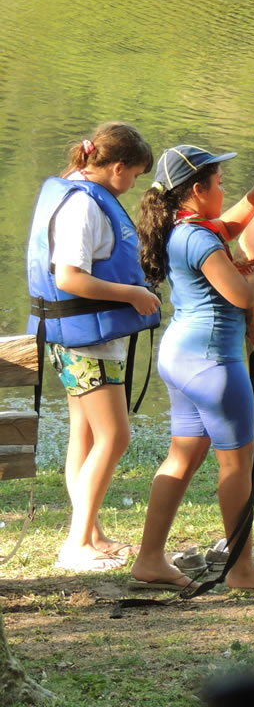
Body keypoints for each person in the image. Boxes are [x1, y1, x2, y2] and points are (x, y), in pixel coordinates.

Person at [129, 144, 254, 591]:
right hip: (212, 361)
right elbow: (242, 293)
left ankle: (150, 560)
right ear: (197, 190)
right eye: (218, 183)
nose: (224, 189)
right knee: (237, 463)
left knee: (183, 456)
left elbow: (235, 219)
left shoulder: (181, 227)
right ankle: (241, 568)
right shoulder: (198, 238)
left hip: (181, 357)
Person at [25, 122, 161, 572]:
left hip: (75, 336)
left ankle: (92, 534)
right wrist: (133, 295)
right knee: (114, 436)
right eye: (135, 175)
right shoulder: (83, 205)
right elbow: (69, 277)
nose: (134, 184)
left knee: (84, 435)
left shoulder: (73, 189)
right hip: (86, 342)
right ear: (117, 167)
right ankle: (76, 543)